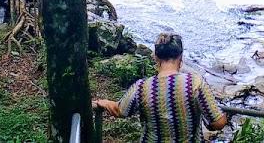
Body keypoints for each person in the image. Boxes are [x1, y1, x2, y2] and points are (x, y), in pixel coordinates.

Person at [93, 33, 229, 143]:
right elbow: (217, 122)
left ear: (156, 57)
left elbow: (120, 110)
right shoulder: (194, 82)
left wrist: (104, 102)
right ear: (181, 57)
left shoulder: (141, 87)